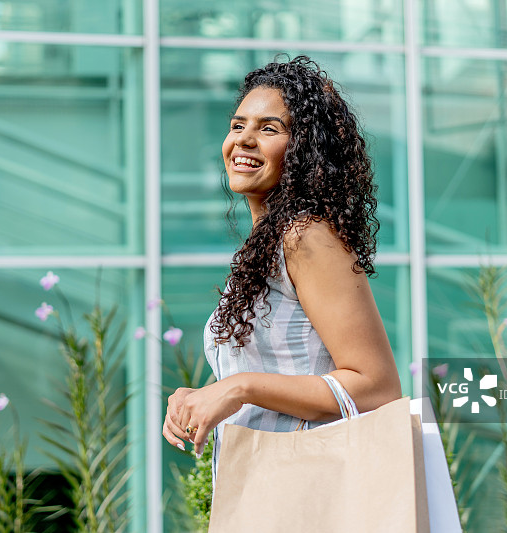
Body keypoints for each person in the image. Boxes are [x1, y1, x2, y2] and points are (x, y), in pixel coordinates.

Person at [162, 56, 402, 481]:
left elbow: (376, 386)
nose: (244, 140)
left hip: (309, 490)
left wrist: (239, 388)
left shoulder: (306, 236)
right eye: (238, 126)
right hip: (264, 484)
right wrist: (202, 396)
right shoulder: (264, 245)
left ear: (304, 150)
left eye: (268, 129)